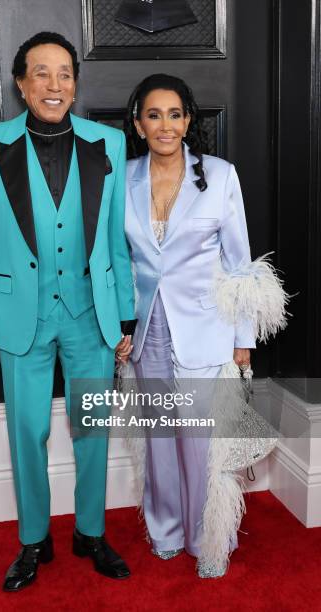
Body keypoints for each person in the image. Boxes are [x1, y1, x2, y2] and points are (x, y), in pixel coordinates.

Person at [0, 31, 136, 591]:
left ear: (75, 83)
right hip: (18, 321)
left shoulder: (108, 142)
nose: (54, 85)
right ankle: (34, 540)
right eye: (41, 73)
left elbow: (116, 241)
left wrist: (125, 315)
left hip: (91, 314)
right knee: (27, 430)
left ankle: (89, 532)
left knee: (92, 430)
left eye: (64, 73)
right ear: (20, 82)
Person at [119, 73, 287, 578]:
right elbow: (116, 260)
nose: (165, 125)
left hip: (207, 329)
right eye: (154, 115)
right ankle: (165, 531)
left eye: (175, 114)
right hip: (147, 329)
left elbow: (240, 263)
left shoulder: (220, 175)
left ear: (188, 121)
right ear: (138, 123)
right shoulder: (120, 179)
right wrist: (118, 329)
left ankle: (204, 537)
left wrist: (243, 341)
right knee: (159, 438)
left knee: (199, 442)